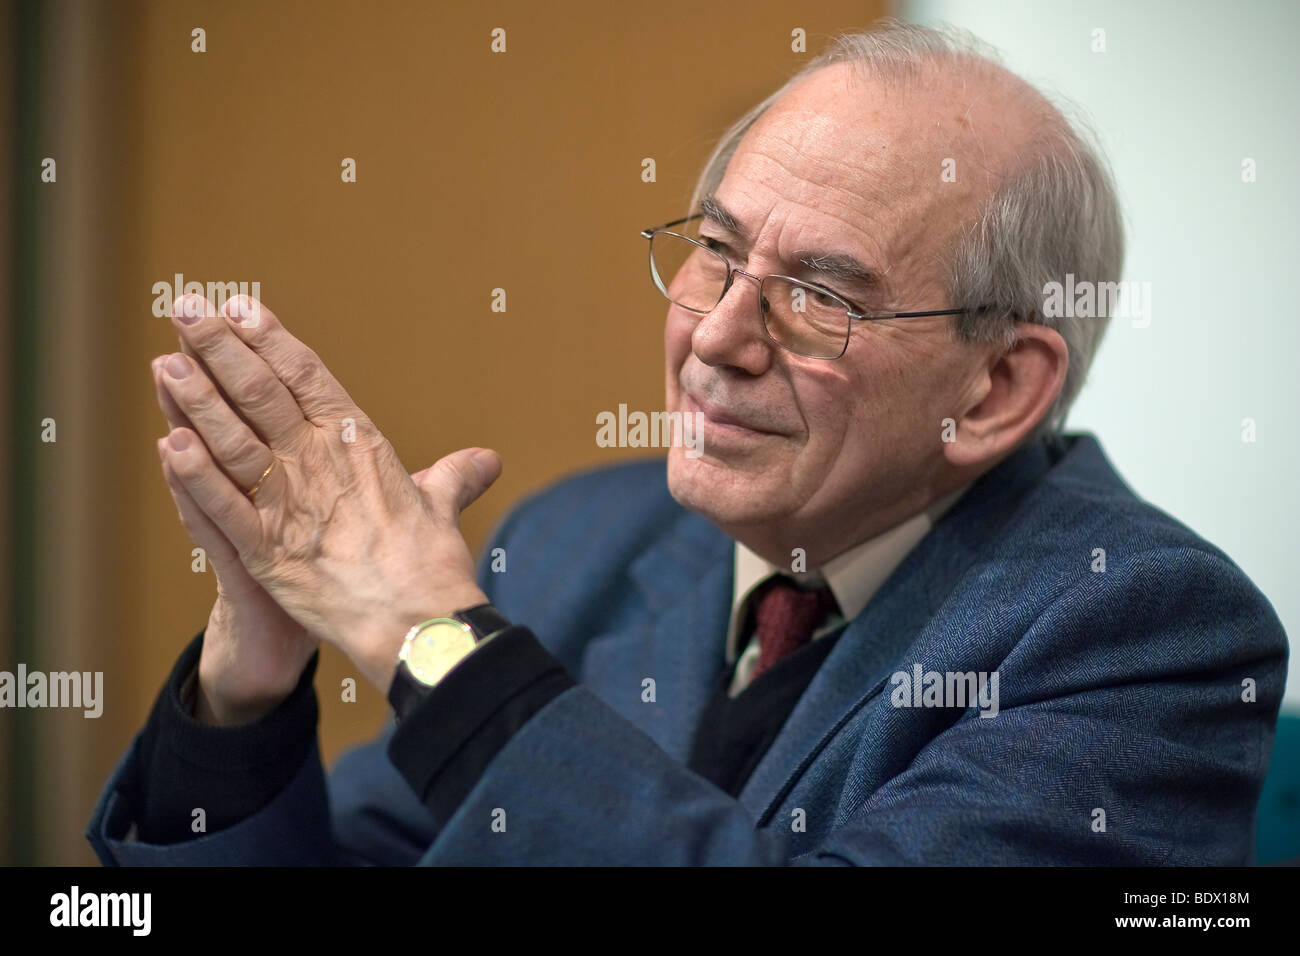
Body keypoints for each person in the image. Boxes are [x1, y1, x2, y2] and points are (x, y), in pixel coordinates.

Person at [88, 21, 1287, 865]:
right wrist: (242, 691)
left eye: (821, 293)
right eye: (718, 249)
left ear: (995, 385)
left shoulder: (1144, 631)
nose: (714, 336)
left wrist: (432, 641)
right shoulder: (576, 540)